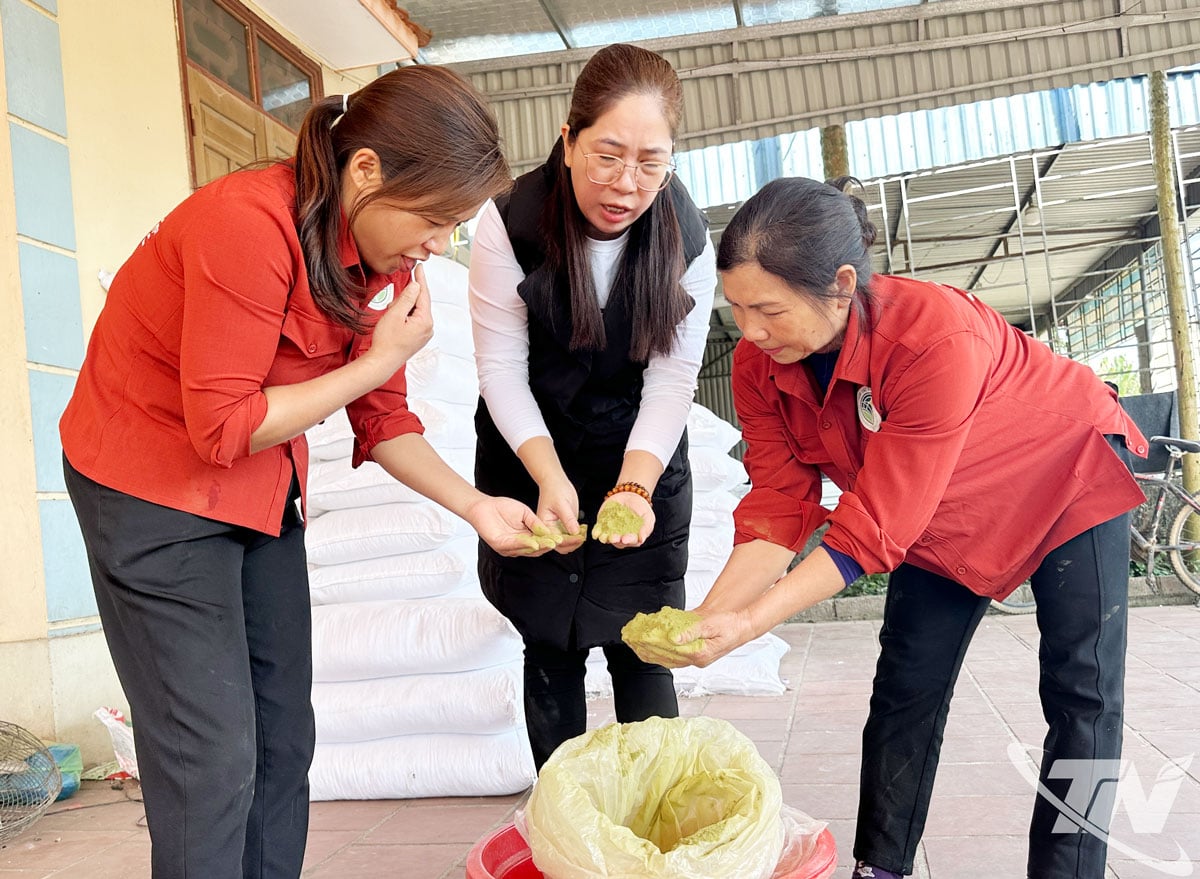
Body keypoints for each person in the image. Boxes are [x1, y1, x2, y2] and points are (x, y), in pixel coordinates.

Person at [59, 66, 548, 879]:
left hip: (257, 493)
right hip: (146, 488)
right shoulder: (245, 224)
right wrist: (378, 359)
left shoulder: (382, 260)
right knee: (209, 755)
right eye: (434, 219)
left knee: (285, 737)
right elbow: (223, 425)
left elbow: (383, 418)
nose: (438, 244)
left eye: (454, 227)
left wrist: (478, 506)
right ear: (366, 171)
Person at [652, 177, 1149, 878]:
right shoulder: (759, 365)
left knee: (1083, 695)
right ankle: (879, 868)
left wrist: (752, 623)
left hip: (1067, 468)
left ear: (840, 284)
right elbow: (778, 506)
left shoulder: (931, 336)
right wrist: (711, 616)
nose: (751, 330)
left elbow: (873, 528)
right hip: (940, 508)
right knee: (906, 684)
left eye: (767, 308)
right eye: (735, 309)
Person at [467, 43, 718, 769]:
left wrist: (635, 488)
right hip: (529, 448)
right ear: (569, 139)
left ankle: (653, 826)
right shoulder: (508, 223)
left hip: (639, 452)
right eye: (607, 154)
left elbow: (673, 382)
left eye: (651, 162)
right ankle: (567, 826)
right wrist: (548, 479)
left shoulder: (689, 241)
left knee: (642, 647)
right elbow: (501, 371)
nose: (627, 183)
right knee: (549, 643)